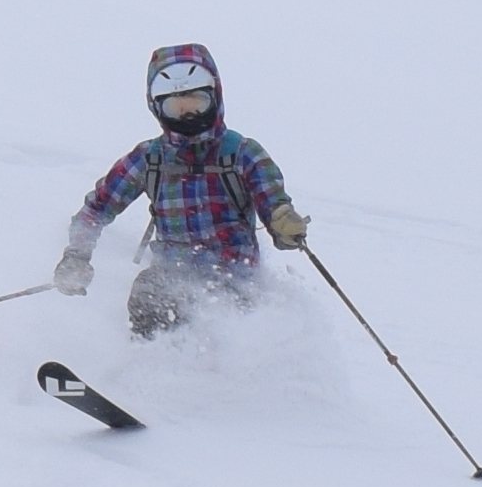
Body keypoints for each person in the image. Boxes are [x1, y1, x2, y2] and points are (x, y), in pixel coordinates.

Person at [53, 43, 309, 338]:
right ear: (156, 106)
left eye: (196, 103)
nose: (188, 116)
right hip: (172, 275)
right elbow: (96, 209)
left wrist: (283, 222)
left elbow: (272, 200)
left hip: (234, 278)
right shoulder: (150, 158)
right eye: (175, 107)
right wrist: (76, 256)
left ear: (215, 97)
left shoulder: (241, 153)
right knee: (148, 293)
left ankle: (232, 375)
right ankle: (156, 367)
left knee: (228, 319)